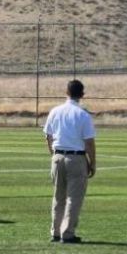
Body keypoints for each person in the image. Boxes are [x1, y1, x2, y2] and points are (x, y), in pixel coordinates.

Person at [43, 79, 96, 244]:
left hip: (58, 157)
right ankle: (67, 233)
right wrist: (92, 162)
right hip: (76, 158)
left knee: (58, 196)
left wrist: (53, 154)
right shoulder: (83, 115)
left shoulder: (55, 111)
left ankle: (55, 232)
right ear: (82, 95)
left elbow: (48, 136)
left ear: (66, 92)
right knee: (74, 197)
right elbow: (89, 143)